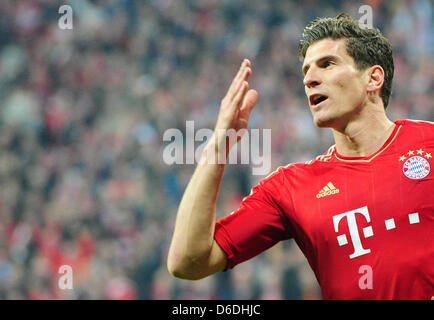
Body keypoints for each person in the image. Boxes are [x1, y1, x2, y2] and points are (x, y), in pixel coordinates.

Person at [167, 13, 434, 299]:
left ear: (373, 78)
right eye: (306, 70)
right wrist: (218, 145)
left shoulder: (428, 144)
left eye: (327, 64)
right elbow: (188, 262)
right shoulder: (290, 188)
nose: (309, 79)